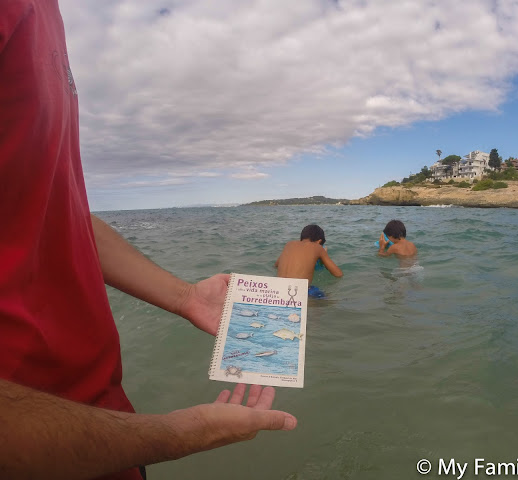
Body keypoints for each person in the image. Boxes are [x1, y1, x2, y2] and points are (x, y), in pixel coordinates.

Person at [0, 2, 295, 479]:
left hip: (97, 428)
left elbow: (52, 212)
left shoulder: (42, 13)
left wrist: (186, 296)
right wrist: (180, 433)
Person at [275, 225, 343, 297]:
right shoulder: (318, 247)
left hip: (279, 288)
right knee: (330, 300)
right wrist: (323, 257)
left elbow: (276, 265)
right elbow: (338, 274)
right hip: (298, 291)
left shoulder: (289, 244)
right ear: (319, 241)